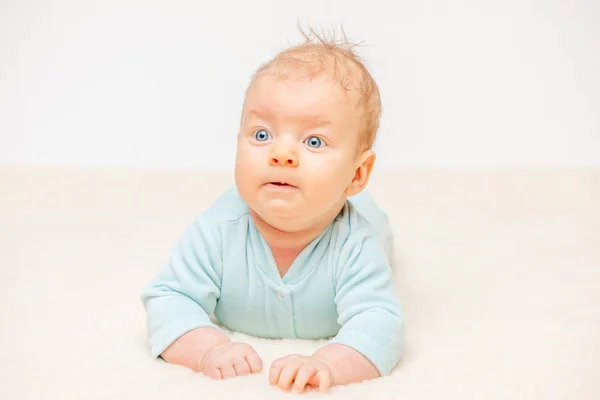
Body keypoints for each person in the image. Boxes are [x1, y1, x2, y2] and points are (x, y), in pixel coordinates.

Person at [141, 29, 404, 393]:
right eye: (262, 135)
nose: (281, 154)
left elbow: (381, 324)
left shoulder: (357, 245)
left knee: (379, 229)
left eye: (314, 141)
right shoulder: (217, 231)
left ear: (357, 174)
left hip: (365, 216)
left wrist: (328, 363)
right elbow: (168, 298)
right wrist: (207, 348)